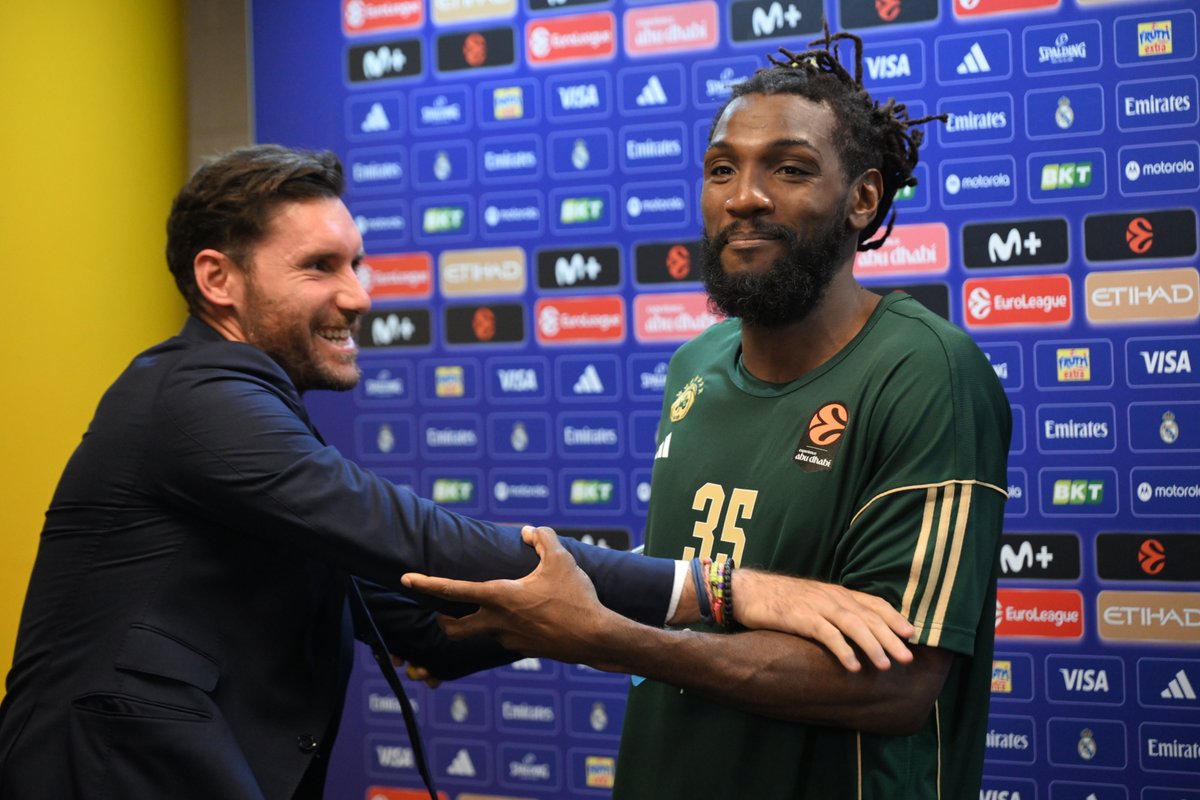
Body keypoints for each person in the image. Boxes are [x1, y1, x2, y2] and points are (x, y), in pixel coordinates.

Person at [0, 143, 912, 800]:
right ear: (218, 280)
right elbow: (419, 538)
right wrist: (728, 591)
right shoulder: (194, 393)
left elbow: (418, 615)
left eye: (356, 262)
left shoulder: (243, 407)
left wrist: (575, 618)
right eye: (320, 267)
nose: (359, 295)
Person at [403, 28, 1011, 799]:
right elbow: (682, 593)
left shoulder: (927, 372)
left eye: (789, 170)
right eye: (722, 169)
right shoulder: (696, 364)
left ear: (864, 197)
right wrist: (504, 624)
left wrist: (608, 639)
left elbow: (897, 686)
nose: (744, 196)